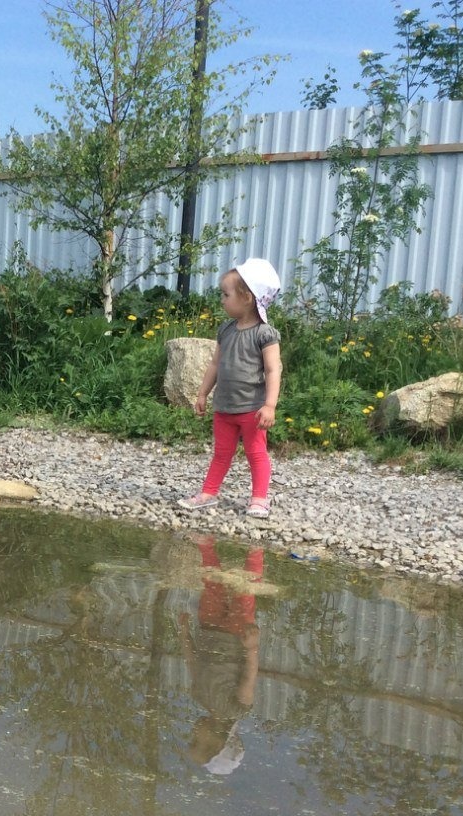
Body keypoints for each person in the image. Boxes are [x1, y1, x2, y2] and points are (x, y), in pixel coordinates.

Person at [178, 258, 283, 519]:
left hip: (252, 409)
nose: (222, 300)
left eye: (226, 294)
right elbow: (215, 363)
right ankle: (208, 493)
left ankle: (259, 499)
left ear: (247, 297)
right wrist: (203, 393)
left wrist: (270, 405)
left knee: (256, 453)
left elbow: (273, 369)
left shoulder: (264, 333)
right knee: (221, 453)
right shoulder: (225, 329)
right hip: (224, 406)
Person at [179, 536, 263, 776]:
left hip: (208, 628)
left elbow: (192, 662)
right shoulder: (237, 709)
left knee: (212, 585)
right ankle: (255, 549)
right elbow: (249, 677)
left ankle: (206, 545)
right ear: (218, 743)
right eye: (196, 742)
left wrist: (185, 633)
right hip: (237, 636)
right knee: (245, 592)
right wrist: (251, 648)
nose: (192, 736)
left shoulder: (198, 696)